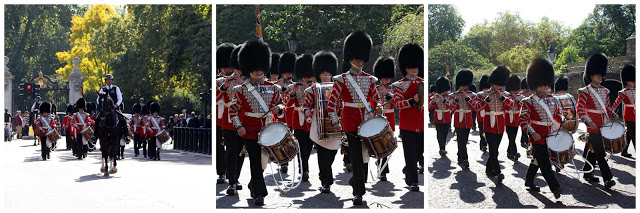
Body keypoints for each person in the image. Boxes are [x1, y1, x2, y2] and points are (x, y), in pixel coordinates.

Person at [327, 31, 383, 205]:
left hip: (367, 122)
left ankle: (357, 183)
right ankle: (358, 191)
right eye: (356, 58)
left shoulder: (370, 79)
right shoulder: (341, 80)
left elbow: (376, 99)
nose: (359, 61)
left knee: (366, 157)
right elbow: (331, 103)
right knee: (357, 157)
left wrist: (379, 106)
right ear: (350, 58)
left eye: (361, 59)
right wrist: (335, 121)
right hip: (350, 123)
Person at [228, 39, 285, 206]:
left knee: (263, 163)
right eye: (255, 67)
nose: (258, 70)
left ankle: (254, 185)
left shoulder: (274, 88)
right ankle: (260, 193)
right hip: (251, 131)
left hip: (269, 130)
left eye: (260, 67)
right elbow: (233, 111)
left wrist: (279, 109)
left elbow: (282, 105)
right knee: (254, 160)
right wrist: (239, 126)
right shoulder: (241, 90)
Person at [520, 57, 563, 198]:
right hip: (537, 137)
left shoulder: (553, 99)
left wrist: (562, 120)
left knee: (538, 160)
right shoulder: (528, 102)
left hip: (550, 135)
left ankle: (529, 180)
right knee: (545, 163)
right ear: (536, 84)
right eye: (543, 84)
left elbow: (557, 114)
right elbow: (523, 120)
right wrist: (532, 133)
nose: (547, 87)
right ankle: (555, 188)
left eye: (547, 84)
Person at [577, 53, 617, 188]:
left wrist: (613, 114)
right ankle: (607, 179)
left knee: (594, 150)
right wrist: (588, 122)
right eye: (597, 75)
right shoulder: (585, 91)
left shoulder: (605, 91)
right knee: (601, 152)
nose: (600, 77)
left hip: (603, 124)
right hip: (592, 126)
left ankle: (587, 173)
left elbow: (607, 108)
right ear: (591, 76)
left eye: (601, 75)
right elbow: (580, 110)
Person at [303, 51, 340, 193]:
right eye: (323, 70)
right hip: (319, 124)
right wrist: (306, 111)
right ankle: (326, 181)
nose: (325, 73)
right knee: (323, 153)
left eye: (328, 70)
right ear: (318, 73)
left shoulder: (338, 87)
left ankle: (324, 174)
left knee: (333, 152)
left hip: (335, 123)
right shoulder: (313, 89)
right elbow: (306, 105)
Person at [392, 43, 424, 190]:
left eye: (416, 66)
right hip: (408, 124)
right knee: (410, 154)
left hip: (421, 123)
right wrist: (412, 101)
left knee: (419, 153)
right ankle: (413, 181)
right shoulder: (399, 85)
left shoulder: (423, 82)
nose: (415, 68)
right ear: (406, 67)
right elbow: (398, 104)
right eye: (412, 66)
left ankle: (409, 171)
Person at [477, 66, 515, 183]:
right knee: (493, 150)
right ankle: (498, 173)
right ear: (492, 83)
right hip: (489, 124)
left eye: (501, 84)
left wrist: (502, 97)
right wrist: (488, 99)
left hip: (500, 124)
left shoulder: (505, 94)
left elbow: (512, 105)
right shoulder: (482, 94)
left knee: (495, 150)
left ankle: (489, 169)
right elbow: (477, 107)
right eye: (498, 84)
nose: (500, 86)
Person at [219, 43, 247, 194]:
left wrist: (242, 81)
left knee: (241, 151)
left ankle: (236, 178)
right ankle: (231, 182)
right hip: (228, 120)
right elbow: (219, 93)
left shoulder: (246, 79)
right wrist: (225, 84)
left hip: (244, 119)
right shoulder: (226, 79)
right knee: (230, 150)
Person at [286, 53, 315, 181]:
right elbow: (287, 103)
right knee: (301, 145)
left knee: (308, 146)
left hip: (311, 118)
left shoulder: (314, 86)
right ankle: (304, 170)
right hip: (298, 119)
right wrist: (293, 91)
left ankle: (304, 165)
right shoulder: (295, 86)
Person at [373, 56, 396, 181]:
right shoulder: (375, 89)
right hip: (378, 118)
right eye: (385, 77)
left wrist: (387, 94)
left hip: (390, 117)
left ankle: (382, 165)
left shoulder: (393, 89)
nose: (387, 79)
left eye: (388, 77)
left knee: (388, 144)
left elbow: (396, 102)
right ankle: (383, 170)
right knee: (380, 144)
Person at [448, 69, 477, 168]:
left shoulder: (472, 95)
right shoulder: (453, 95)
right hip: (458, 119)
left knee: (464, 140)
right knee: (461, 140)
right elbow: (451, 108)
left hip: (468, 119)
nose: (464, 87)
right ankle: (465, 158)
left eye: (466, 85)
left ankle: (460, 155)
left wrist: (467, 97)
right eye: (463, 85)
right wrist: (456, 99)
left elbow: (475, 107)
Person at [278, 51, 296, 173]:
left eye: (290, 72)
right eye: (286, 72)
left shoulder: (295, 83)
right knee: (281, 139)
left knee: (290, 140)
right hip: (282, 115)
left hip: (292, 115)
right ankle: (283, 161)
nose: (289, 74)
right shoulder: (278, 84)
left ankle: (288, 159)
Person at [612, 64, 635, 158]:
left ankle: (624, 150)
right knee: (635, 135)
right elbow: (616, 103)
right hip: (629, 115)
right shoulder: (623, 92)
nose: (633, 82)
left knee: (630, 134)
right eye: (631, 80)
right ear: (626, 81)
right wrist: (611, 112)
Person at [504, 74, 524, 161]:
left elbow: (522, 106)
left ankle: (509, 152)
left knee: (513, 137)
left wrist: (516, 99)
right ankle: (515, 153)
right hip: (508, 118)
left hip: (516, 118)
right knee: (511, 137)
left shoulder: (521, 97)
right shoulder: (506, 96)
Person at [430, 77, 452, 156]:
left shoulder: (449, 96)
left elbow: (451, 106)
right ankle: (441, 148)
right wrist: (432, 102)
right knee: (440, 133)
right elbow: (430, 108)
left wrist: (443, 99)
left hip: (446, 117)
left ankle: (443, 147)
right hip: (438, 117)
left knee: (445, 133)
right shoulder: (435, 96)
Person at [475, 75, 490, 152]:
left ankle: (486, 143)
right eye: (485, 88)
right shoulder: (479, 95)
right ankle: (483, 144)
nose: (486, 90)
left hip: (489, 115)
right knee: (482, 130)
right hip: (481, 114)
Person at [520, 78, 533, 148]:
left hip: (530, 114)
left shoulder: (531, 94)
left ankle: (524, 140)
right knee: (523, 128)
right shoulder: (520, 94)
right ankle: (525, 141)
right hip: (523, 113)